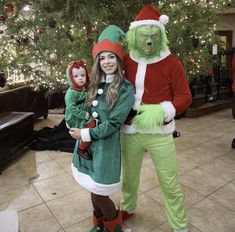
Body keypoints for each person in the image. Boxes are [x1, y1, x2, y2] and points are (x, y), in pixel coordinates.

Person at [120, 4, 192, 232]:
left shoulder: (172, 63)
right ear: (134, 35)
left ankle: (179, 225)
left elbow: (184, 97)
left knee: (170, 183)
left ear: (161, 35)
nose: (149, 41)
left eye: (153, 36)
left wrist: (163, 111)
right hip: (130, 131)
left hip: (160, 133)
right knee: (129, 178)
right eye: (144, 36)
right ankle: (127, 208)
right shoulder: (125, 60)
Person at [69, 25, 134, 232]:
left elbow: (114, 124)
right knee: (90, 186)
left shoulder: (125, 88)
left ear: (119, 60)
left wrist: (85, 133)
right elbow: (87, 110)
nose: (107, 62)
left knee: (99, 192)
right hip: (87, 146)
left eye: (112, 57)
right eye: (103, 57)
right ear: (98, 61)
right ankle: (100, 225)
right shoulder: (95, 83)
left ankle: (114, 227)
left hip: (105, 146)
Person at [64, 60, 95, 159]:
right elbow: (71, 108)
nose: (80, 78)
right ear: (71, 78)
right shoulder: (71, 93)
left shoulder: (83, 88)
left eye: (83, 75)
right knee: (91, 126)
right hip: (75, 117)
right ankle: (81, 149)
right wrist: (84, 114)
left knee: (93, 125)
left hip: (84, 112)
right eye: (76, 76)